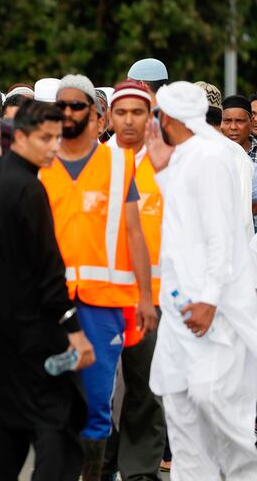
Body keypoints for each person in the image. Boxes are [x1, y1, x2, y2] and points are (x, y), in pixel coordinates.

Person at [0, 98, 95, 481]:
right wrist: (74, 332)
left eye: (57, 137)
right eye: (45, 137)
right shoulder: (30, 190)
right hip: (32, 332)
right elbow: (49, 271)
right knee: (58, 422)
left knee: (5, 429)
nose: (54, 145)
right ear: (20, 137)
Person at [39, 75, 156, 481]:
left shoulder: (118, 163)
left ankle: (95, 473)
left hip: (101, 303)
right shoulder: (40, 162)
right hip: (49, 302)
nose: (68, 112)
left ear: (94, 113)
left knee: (96, 400)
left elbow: (134, 233)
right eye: (61, 106)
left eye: (77, 106)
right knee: (53, 393)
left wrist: (144, 296)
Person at [148, 81, 257, 479]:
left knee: (219, 410)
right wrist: (161, 169)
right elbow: (179, 225)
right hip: (181, 307)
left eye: (156, 114)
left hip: (215, 312)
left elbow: (219, 236)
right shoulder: (183, 157)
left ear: (170, 116)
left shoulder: (210, 156)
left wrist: (210, 299)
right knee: (182, 413)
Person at [104, 82, 167, 480]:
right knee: (99, 392)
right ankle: (100, 464)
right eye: (121, 112)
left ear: (150, 117)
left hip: (157, 297)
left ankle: (140, 471)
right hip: (102, 295)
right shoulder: (96, 162)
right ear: (109, 117)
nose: (129, 119)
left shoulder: (167, 164)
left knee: (146, 389)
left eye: (137, 112)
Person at [216, 95, 255, 238]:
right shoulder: (213, 154)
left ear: (251, 122)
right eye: (227, 121)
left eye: (239, 121)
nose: (233, 127)